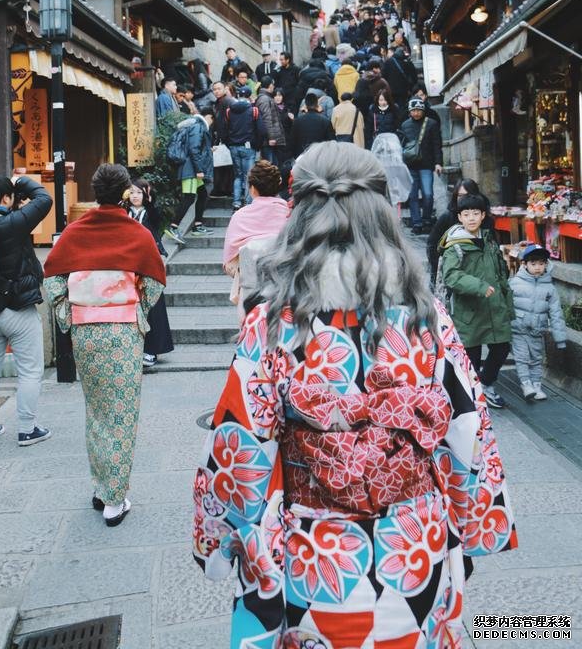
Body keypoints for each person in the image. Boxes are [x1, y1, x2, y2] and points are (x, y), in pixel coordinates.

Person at [193, 142, 517, 649]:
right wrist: (474, 521)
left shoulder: (272, 326)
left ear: (297, 214)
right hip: (413, 543)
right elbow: (467, 431)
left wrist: (219, 539)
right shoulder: (425, 317)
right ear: (383, 213)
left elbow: (240, 453)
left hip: (314, 552)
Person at [44, 164, 165, 526]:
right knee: (122, 415)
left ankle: (101, 486)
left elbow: (52, 282)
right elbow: (156, 282)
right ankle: (115, 498)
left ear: (95, 192)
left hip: (86, 333)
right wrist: (136, 309)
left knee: (96, 410)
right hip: (124, 331)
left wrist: (70, 315)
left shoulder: (75, 232)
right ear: (125, 193)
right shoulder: (137, 233)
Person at [0, 174, 53, 447]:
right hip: (17, 309)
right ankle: (28, 429)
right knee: (30, 371)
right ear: (6, 198)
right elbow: (44, 198)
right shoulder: (11, 224)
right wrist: (21, 181)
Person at [439, 193, 515, 409]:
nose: (471, 218)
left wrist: (506, 302)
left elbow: (500, 273)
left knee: (501, 347)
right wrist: (479, 286)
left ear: (483, 215)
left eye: (475, 213)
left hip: (494, 306)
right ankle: (472, 394)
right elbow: (452, 276)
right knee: (470, 356)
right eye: (466, 214)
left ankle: (486, 383)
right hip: (469, 310)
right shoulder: (455, 243)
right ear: (459, 217)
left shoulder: (489, 238)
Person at [222, 160, 289, 313]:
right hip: (286, 292)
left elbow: (229, 265)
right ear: (277, 187)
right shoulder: (289, 214)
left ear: (252, 189)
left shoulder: (240, 217)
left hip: (251, 298)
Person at [509, 243, 568, 401]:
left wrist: (560, 339)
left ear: (546, 265)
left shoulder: (550, 288)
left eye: (541, 264)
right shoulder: (514, 283)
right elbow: (505, 307)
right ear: (524, 264)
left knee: (536, 359)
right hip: (518, 330)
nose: (537, 267)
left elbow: (556, 313)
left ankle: (536, 385)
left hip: (537, 330)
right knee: (521, 358)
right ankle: (526, 384)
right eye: (533, 264)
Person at [126, 179, 174, 370]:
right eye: (131, 192)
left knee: (153, 303)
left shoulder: (151, 212)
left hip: (149, 262)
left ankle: (152, 349)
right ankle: (136, 348)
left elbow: (157, 220)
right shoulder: (124, 212)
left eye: (139, 192)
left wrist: (151, 200)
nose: (135, 196)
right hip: (129, 262)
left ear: (146, 195)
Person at [427, 178, 490, 287]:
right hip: (453, 269)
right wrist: (439, 268)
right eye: (460, 196)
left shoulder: (485, 218)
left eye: (467, 194)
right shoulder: (447, 217)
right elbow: (432, 244)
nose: (463, 199)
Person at [399, 97, 443, 235]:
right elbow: (402, 145)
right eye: (413, 110)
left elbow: (437, 145)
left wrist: (438, 163)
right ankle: (416, 223)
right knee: (412, 195)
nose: (416, 113)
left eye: (419, 110)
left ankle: (426, 220)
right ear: (409, 111)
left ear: (423, 110)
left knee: (428, 194)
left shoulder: (432, 124)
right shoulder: (405, 125)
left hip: (427, 165)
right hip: (410, 166)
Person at [173, 108, 215, 236]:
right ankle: (173, 227)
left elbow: (197, 148)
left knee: (202, 194)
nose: (212, 124)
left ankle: (197, 225)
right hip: (191, 170)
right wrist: (199, 170)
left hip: (193, 169)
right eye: (212, 120)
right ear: (208, 117)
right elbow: (193, 149)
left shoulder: (195, 126)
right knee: (189, 198)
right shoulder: (198, 126)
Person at [225, 87, 261, 211]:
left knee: (237, 175)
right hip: (248, 146)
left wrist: (229, 143)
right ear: (250, 97)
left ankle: (236, 203)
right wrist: (257, 145)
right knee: (248, 176)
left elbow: (225, 129)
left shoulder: (229, 111)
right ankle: (248, 203)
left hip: (234, 146)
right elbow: (260, 130)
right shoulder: (254, 110)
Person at [291, 92, 334, 156]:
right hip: (320, 155)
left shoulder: (298, 121)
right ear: (317, 104)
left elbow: (292, 141)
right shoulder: (325, 121)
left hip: (302, 155)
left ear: (305, 104)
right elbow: (331, 141)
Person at [256, 75, 286, 165]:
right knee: (270, 165)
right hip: (268, 141)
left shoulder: (266, 97)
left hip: (269, 140)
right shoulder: (265, 99)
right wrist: (271, 138)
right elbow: (267, 119)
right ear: (270, 85)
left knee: (274, 164)